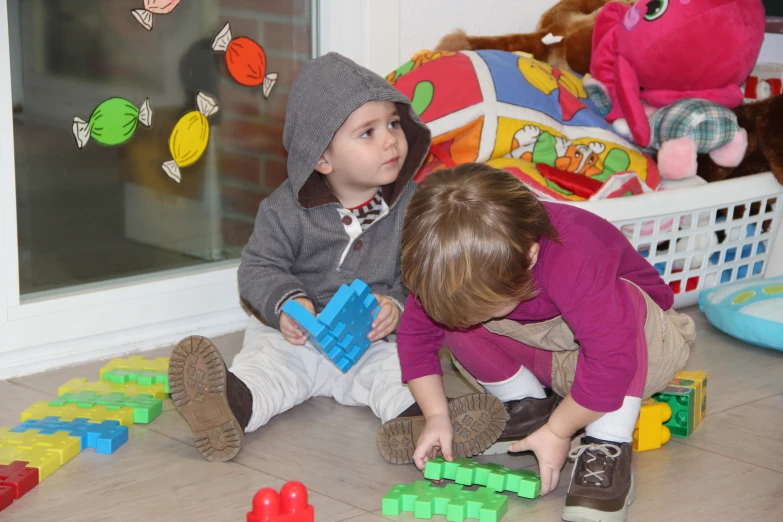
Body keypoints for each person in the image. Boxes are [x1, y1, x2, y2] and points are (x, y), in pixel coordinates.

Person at [167, 54, 507, 465]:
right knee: (268, 371)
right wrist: (287, 304)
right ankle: (225, 408)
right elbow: (258, 268)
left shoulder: (413, 207)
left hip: (369, 341)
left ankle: (424, 425)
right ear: (322, 159)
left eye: (394, 124)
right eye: (367, 133)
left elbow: (423, 274)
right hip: (295, 337)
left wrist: (395, 306)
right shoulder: (283, 210)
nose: (390, 140)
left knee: (397, 374)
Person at [396, 162, 696, 522]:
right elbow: (415, 337)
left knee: (623, 305)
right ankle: (529, 407)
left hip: (643, 351)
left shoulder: (575, 251)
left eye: (484, 307)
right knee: (455, 318)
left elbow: (611, 359)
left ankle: (606, 443)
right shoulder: (448, 263)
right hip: (557, 357)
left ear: (530, 256)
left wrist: (560, 431)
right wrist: (436, 415)